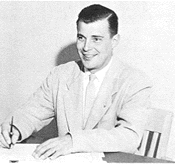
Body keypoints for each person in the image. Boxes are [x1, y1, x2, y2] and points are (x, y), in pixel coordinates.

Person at [0, 4, 152, 160]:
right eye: (81, 38)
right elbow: (32, 113)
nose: (86, 47)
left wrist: (73, 141)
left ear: (114, 41)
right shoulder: (61, 75)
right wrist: (15, 127)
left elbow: (129, 137)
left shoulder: (135, 81)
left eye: (96, 39)